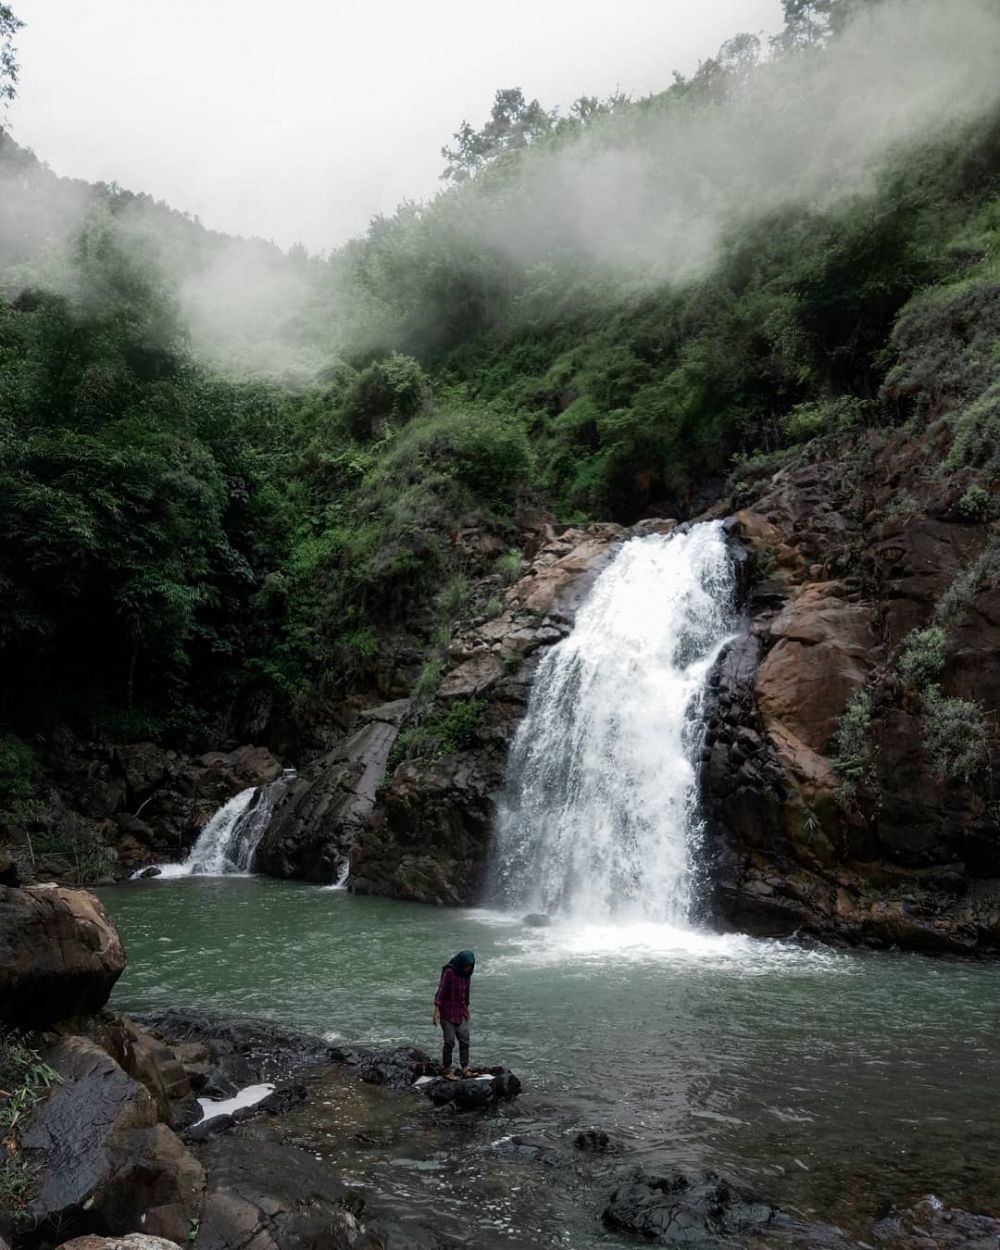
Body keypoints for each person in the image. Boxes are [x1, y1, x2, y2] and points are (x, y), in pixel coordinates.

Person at [433, 949, 475, 1077]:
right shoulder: (449, 972)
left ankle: (465, 1067)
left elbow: (466, 994)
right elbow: (441, 990)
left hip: (461, 1012)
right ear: (461, 963)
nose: (468, 969)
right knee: (449, 1041)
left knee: (464, 1039)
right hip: (447, 1012)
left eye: (470, 966)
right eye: (466, 966)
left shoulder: (467, 975)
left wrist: (466, 1010)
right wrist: (436, 1010)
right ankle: (446, 1068)